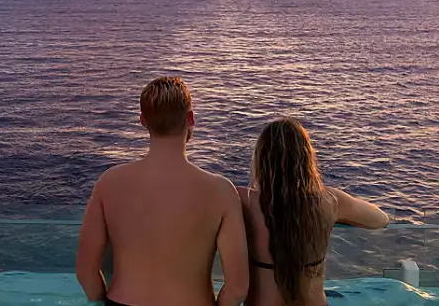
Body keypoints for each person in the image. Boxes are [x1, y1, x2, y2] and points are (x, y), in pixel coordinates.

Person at [76, 77, 248, 306]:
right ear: (191, 119)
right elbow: (238, 287)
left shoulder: (109, 183)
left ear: (143, 121)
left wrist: (100, 301)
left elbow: (85, 271)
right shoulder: (221, 191)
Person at [239, 118, 390, 306]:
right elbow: (380, 220)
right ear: (306, 158)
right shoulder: (330, 201)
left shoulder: (242, 201)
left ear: (260, 158)